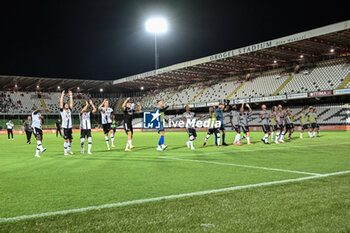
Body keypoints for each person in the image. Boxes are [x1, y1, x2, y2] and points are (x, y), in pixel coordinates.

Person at [60, 90, 74, 155]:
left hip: (70, 127)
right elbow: (60, 102)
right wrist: (62, 95)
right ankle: (65, 151)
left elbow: (71, 103)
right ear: (63, 106)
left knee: (71, 140)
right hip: (65, 127)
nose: (67, 105)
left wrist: (71, 95)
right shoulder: (62, 111)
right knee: (66, 140)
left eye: (67, 105)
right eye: (65, 105)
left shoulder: (69, 110)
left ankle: (69, 150)